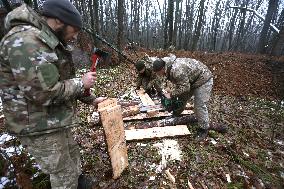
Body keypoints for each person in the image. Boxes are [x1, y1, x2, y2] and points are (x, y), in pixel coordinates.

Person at [0, 0, 105, 188]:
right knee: (62, 172)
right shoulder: (26, 41)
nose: (75, 36)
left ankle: (78, 183)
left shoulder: (48, 40)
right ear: (58, 21)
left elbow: (63, 79)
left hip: (54, 117)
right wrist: (80, 83)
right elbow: (44, 92)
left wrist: (92, 98)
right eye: (74, 30)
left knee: (72, 155)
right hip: (37, 123)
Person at [152, 54, 213, 140]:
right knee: (181, 98)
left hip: (203, 79)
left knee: (199, 105)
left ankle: (204, 129)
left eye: (158, 73)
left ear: (162, 69)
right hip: (191, 80)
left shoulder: (176, 70)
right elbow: (181, 84)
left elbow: (185, 87)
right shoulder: (165, 64)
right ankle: (176, 114)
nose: (158, 75)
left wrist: (171, 94)